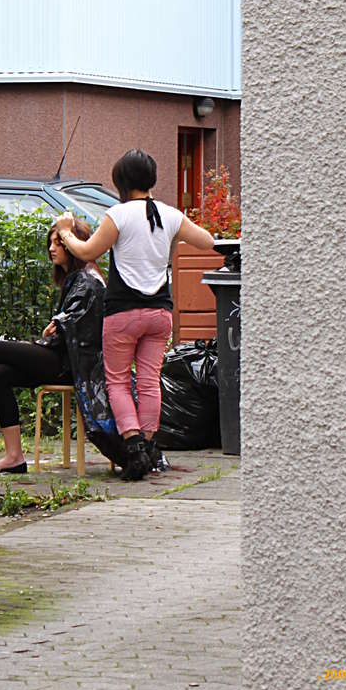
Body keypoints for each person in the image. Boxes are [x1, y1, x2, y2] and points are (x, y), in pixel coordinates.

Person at [55, 148, 214, 481]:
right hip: (159, 314)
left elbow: (86, 252)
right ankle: (150, 442)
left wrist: (67, 230)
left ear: (120, 182)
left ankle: (134, 445)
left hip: (122, 315)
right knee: (149, 381)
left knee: (117, 381)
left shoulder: (120, 215)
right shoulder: (169, 215)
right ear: (152, 180)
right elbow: (206, 240)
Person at [0, 219, 107, 474]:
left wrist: (60, 325)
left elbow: (84, 327)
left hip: (72, 365)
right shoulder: (75, 278)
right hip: (61, 357)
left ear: (74, 245)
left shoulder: (89, 279)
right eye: (51, 243)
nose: (52, 249)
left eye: (59, 243)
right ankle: (14, 457)